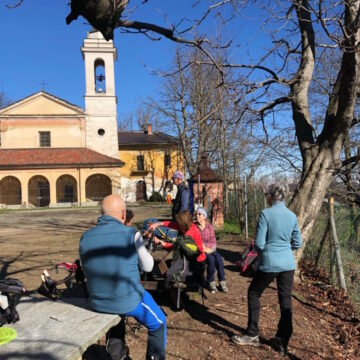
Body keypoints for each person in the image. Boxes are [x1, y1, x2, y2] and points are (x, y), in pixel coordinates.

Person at [79, 195, 166, 360]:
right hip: (127, 299)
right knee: (159, 323)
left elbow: (85, 268)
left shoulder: (85, 237)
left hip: (97, 301)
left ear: (102, 213)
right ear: (123, 214)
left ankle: (115, 354)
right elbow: (148, 266)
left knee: (117, 313)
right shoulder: (131, 233)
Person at [231, 184, 302, 356]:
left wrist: (268, 252)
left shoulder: (266, 214)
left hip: (270, 262)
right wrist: (284, 249)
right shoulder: (292, 216)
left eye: (266, 194)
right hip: (288, 264)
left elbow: (260, 244)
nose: (265, 196)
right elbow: (297, 243)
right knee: (285, 302)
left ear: (271, 196)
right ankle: (282, 340)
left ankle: (252, 334)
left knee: (254, 293)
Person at [149, 210, 206, 289]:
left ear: (183, 224)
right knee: (169, 262)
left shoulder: (189, 235)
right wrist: (157, 224)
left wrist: (160, 242)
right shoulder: (188, 226)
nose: (177, 225)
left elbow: (175, 246)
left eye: (178, 223)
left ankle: (167, 287)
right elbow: (171, 224)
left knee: (170, 273)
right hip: (186, 256)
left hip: (195, 261)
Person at [195, 207, 228, 294]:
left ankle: (222, 281)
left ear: (204, 217)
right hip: (200, 251)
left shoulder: (209, 227)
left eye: (199, 214)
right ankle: (211, 281)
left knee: (219, 259)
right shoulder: (195, 227)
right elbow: (194, 241)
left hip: (210, 249)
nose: (197, 215)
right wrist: (203, 248)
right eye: (197, 214)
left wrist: (209, 249)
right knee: (211, 260)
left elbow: (213, 241)